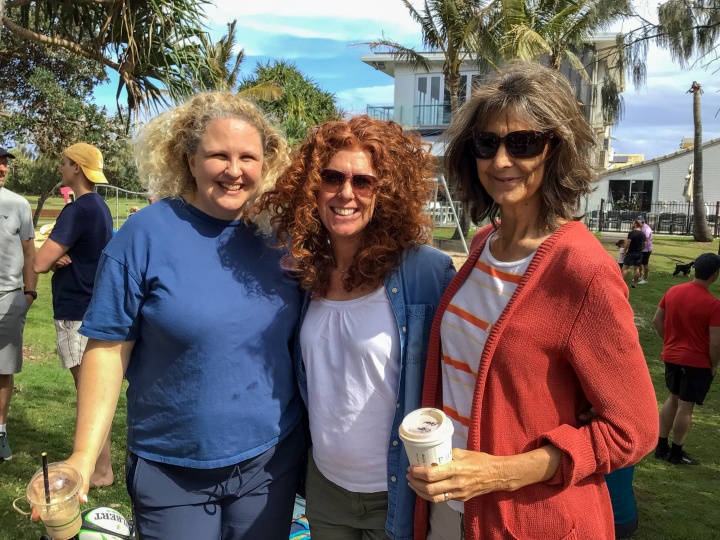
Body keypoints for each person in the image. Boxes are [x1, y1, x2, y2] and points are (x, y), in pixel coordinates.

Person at [408, 61, 658, 540]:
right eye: (487, 143)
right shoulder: (484, 243)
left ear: (555, 150)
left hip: (528, 520)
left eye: (522, 142)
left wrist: (498, 473)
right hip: (451, 510)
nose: (501, 161)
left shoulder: (582, 271)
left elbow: (634, 429)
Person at [61, 93, 305, 539]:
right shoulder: (145, 234)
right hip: (170, 467)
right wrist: (83, 456)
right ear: (190, 160)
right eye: (218, 155)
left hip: (268, 463)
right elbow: (107, 349)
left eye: (248, 156)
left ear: (265, 163)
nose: (235, 170)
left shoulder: (280, 238)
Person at [261, 115, 455, 540]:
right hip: (325, 489)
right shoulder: (303, 273)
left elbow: (467, 364)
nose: (346, 193)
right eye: (332, 177)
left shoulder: (427, 272)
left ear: (384, 192)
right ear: (313, 185)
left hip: (400, 489)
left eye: (363, 182)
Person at [33, 143, 114, 486]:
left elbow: (38, 263)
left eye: (64, 164)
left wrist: (52, 256)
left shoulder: (77, 209)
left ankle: (99, 470)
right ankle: (100, 467)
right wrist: (61, 255)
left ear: (77, 169)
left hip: (74, 310)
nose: (61, 169)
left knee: (88, 393)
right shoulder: (100, 207)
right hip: (93, 306)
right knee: (93, 390)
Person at [652, 252, 720, 466]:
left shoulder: (673, 291)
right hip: (696, 361)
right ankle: (676, 451)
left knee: (672, 397)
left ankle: (661, 446)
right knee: (686, 405)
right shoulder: (713, 304)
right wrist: (713, 365)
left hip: (672, 356)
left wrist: (669, 342)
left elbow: (657, 320)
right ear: (715, 275)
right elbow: (716, 343)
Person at [0, 146, 37, 461]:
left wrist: (30, 293)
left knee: (3, 369)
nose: (2, 168)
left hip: (9, 298)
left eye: (4, 164)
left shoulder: (18, 204)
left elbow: (29, 252)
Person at [622, 219, 646, 288]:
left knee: (625, 268)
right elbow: (645, 244)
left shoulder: (632, 233)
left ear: (635, 224)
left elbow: (628, 243)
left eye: (633, 223)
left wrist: (624, 250)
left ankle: (623, 284)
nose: (632, 224)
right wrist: (641, 249)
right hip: (639, 253)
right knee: (637, 269)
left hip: (631, 252)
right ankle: (634, 284)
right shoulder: (643, 234)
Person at [638, 215, 653, 284]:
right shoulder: (641, 227)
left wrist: (642, 248)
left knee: (645, 264)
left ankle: (645, 279)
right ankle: (639, 277)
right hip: (641, 249)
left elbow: (645, 240)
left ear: (642, 222)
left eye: (638, 222)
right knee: (639, 263)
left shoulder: (646, 229)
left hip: (646, 249)